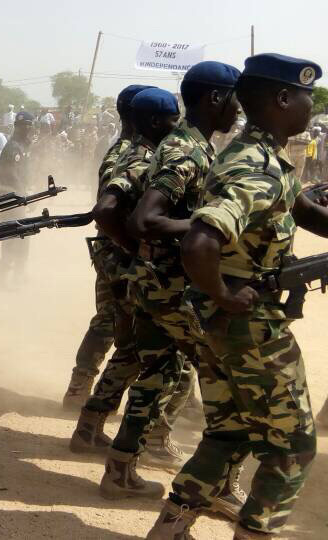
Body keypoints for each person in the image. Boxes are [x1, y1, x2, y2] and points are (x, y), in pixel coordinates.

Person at [147, 53, 325, 540]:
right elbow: (199, 241)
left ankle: (170, 530)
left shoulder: (261, 155)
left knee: (231, 432)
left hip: (218, 322)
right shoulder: (256, 166)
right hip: (249, 326)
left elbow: (304, 210)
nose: (312, 105)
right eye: (308, 95)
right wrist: (225, 294)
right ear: (284, 99)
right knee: (292, 446)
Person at [106, 63, 245, 512]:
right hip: (172, 290)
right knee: (230, 382)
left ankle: (120, 469)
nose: (240, 108)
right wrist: (211, 225)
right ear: (214, 99)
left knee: (156, 375)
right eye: (234, 97)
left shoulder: (189, 145)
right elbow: (145, 219)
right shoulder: (187, 151)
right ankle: (220, 486)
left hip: (154, 284)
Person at [91, 87, 181, 500]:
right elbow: (108, 210)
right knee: (153, 356)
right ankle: (137, 445)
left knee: (130, 349)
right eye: (172, 120)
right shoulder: (140, 156)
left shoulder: (127, 150)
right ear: (156, 122)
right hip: (128, 268)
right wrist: (134, 249)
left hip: (121, 266)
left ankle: (90, 424)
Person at [66, 85, 149, 432]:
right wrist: (130, 246)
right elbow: (107, 209)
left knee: (107, 321)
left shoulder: (120, 148)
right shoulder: (131, 153)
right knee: (118, 326)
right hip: (119, 254)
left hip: (111, 251)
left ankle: (79, 388)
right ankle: (84, 392)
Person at [0, 110, 36, 280]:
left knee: (22, 235)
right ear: (17, 127)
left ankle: (18, 274)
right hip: (11, 198)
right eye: (24, 126)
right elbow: (11, 174)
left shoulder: (24, 145)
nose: (27, 129)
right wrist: (25, 195)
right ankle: (4, 277)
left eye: (29, 126)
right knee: (12, 236)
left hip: (19, 198)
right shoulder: (13, 147)